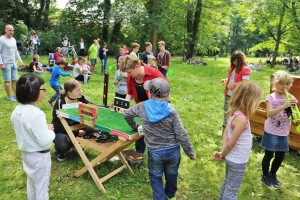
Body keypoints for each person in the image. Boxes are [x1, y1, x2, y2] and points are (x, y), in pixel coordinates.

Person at [124, 78, 196, 200]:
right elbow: (181, 134)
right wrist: (191, 153)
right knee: (172, 174)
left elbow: (127, 114)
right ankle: (171, 195)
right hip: (173, 150)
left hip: (155, 152)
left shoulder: (142, 107)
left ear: (149, 93)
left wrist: (136, 127)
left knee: (156, 176)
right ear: (167, 95)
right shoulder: (172, 111)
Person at [214, 81, 262, 200]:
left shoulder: (233, 112)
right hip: (238, 161)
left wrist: (223, 152)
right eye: (257, 101)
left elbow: (226, 132)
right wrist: (223, 153)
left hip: (231, 157)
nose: (258, 104)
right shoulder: (242, 119)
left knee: (227, 182)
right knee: (231, 192)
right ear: (249, 101)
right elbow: (231, 143)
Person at [11, 73, 55, 199]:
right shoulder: (37, 114)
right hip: (40, 158)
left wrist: (43, 129)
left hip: (27, 155)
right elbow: (44, 141)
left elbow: (26, 130)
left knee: (31, 183)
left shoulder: (16, 111)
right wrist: (50, 131)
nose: (44, 92)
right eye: (43, 89)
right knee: (42, 187)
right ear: (33, 92)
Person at [121, 55, 166, 154]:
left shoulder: (154, 73)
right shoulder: (130, 78)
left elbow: (165, 91)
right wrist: (124, 105)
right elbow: (130, 93)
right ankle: (139, 154)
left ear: (136, 66)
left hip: (157, 107)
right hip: (142, 108)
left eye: (129, 72)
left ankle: (157, 154)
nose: (128, 75)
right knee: (140, 130)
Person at [260, 70, 298, 187]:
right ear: (275, 84)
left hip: (284, 132)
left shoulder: (291, 98)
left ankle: (273, 174)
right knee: (269, 154)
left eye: (287, 84)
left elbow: (294, 113)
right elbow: (269, 114)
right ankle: (265, 175)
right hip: (271, 131)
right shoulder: (270, 97)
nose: (284, 86)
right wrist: (284, 106)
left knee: (280, 155)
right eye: (281, 83)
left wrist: (294, 113)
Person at [52, 79, 97, 161]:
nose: (81, 92)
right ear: (69, 92)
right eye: (78, 90)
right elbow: (57, 126)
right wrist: (76, 133)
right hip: (61, 130)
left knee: (96, 129)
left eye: (81, 89)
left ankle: (74, 143)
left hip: (77, 126)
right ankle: (62, 151)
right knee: (62, 146)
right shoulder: (60, 103)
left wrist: (107, 108)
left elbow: (91, 107)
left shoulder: (80, 98)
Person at [220, 51, 250, 128]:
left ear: (240, 60)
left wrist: (233, 85)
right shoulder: (233, 68)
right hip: (228, 92)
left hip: (237, 94)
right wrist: (226, 80)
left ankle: (232, 124)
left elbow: (245, 83)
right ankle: (225, 123)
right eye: (233, 60)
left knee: (234, 109)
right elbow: (233, 78)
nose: (234, 62)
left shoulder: (245, 69)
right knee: (226, 108)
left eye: (236, 60)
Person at [0, 24, 25, 102]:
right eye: (9, 30)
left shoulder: (13, 39)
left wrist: (21, 61)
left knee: (15, 80)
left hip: (13, 62)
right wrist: (1, 63)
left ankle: (16, 96)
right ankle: (9, 97)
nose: (11, 32)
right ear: (5, 30)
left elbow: (16, 51)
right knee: (7, 81)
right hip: (5, 63)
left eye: (12, 30)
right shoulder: (1, 39)